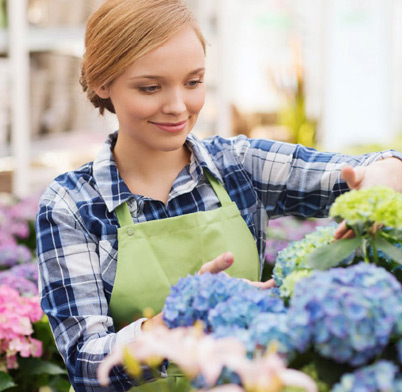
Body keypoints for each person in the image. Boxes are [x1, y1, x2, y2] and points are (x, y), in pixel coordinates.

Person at [35, 0, 402, 391]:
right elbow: (85, 365)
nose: (178, 106)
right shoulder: (72, 204)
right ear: (102, 83)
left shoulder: (240, 166)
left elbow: (359, 172)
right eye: (150, 87)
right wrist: (175, 322)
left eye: (193, 82)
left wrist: (385, 172)